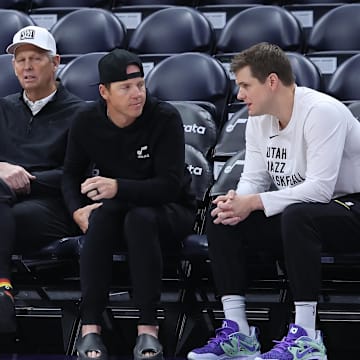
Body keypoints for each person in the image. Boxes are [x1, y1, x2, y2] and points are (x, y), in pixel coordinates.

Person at [187, 42, 360, 360]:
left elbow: (320, 190)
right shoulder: (259, 119)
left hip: (350, 208)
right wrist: (236, 201)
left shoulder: (321, 112)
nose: (239, 96)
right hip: (302, 213)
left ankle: (307, 337)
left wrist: (252, 202)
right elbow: (254, 180)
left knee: (297, 215)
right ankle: (238, 332)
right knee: (223, 217)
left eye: (245, 85)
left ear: (271, 81)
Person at [62, 48, 197, 360]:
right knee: (103, 216)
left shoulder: (164, 117)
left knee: (139, 218)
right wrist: (76, 210)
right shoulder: (86, 120)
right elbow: (69, 174)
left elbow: (169, 185)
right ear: (104, 92)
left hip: (172, 209)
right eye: (126, 87)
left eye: (140, 85)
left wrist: (117, 187)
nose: (137, 94)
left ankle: (148, 331)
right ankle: (90, 329)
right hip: (119, 208)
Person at [0, 25, 85, 333]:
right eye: (20, 60)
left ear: (56, 62)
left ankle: (2, 290)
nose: (27, 66)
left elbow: (78, 174)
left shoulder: (81, 113)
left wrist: (24, 179)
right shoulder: (2, 108)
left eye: (36, 58)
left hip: (52, 206)